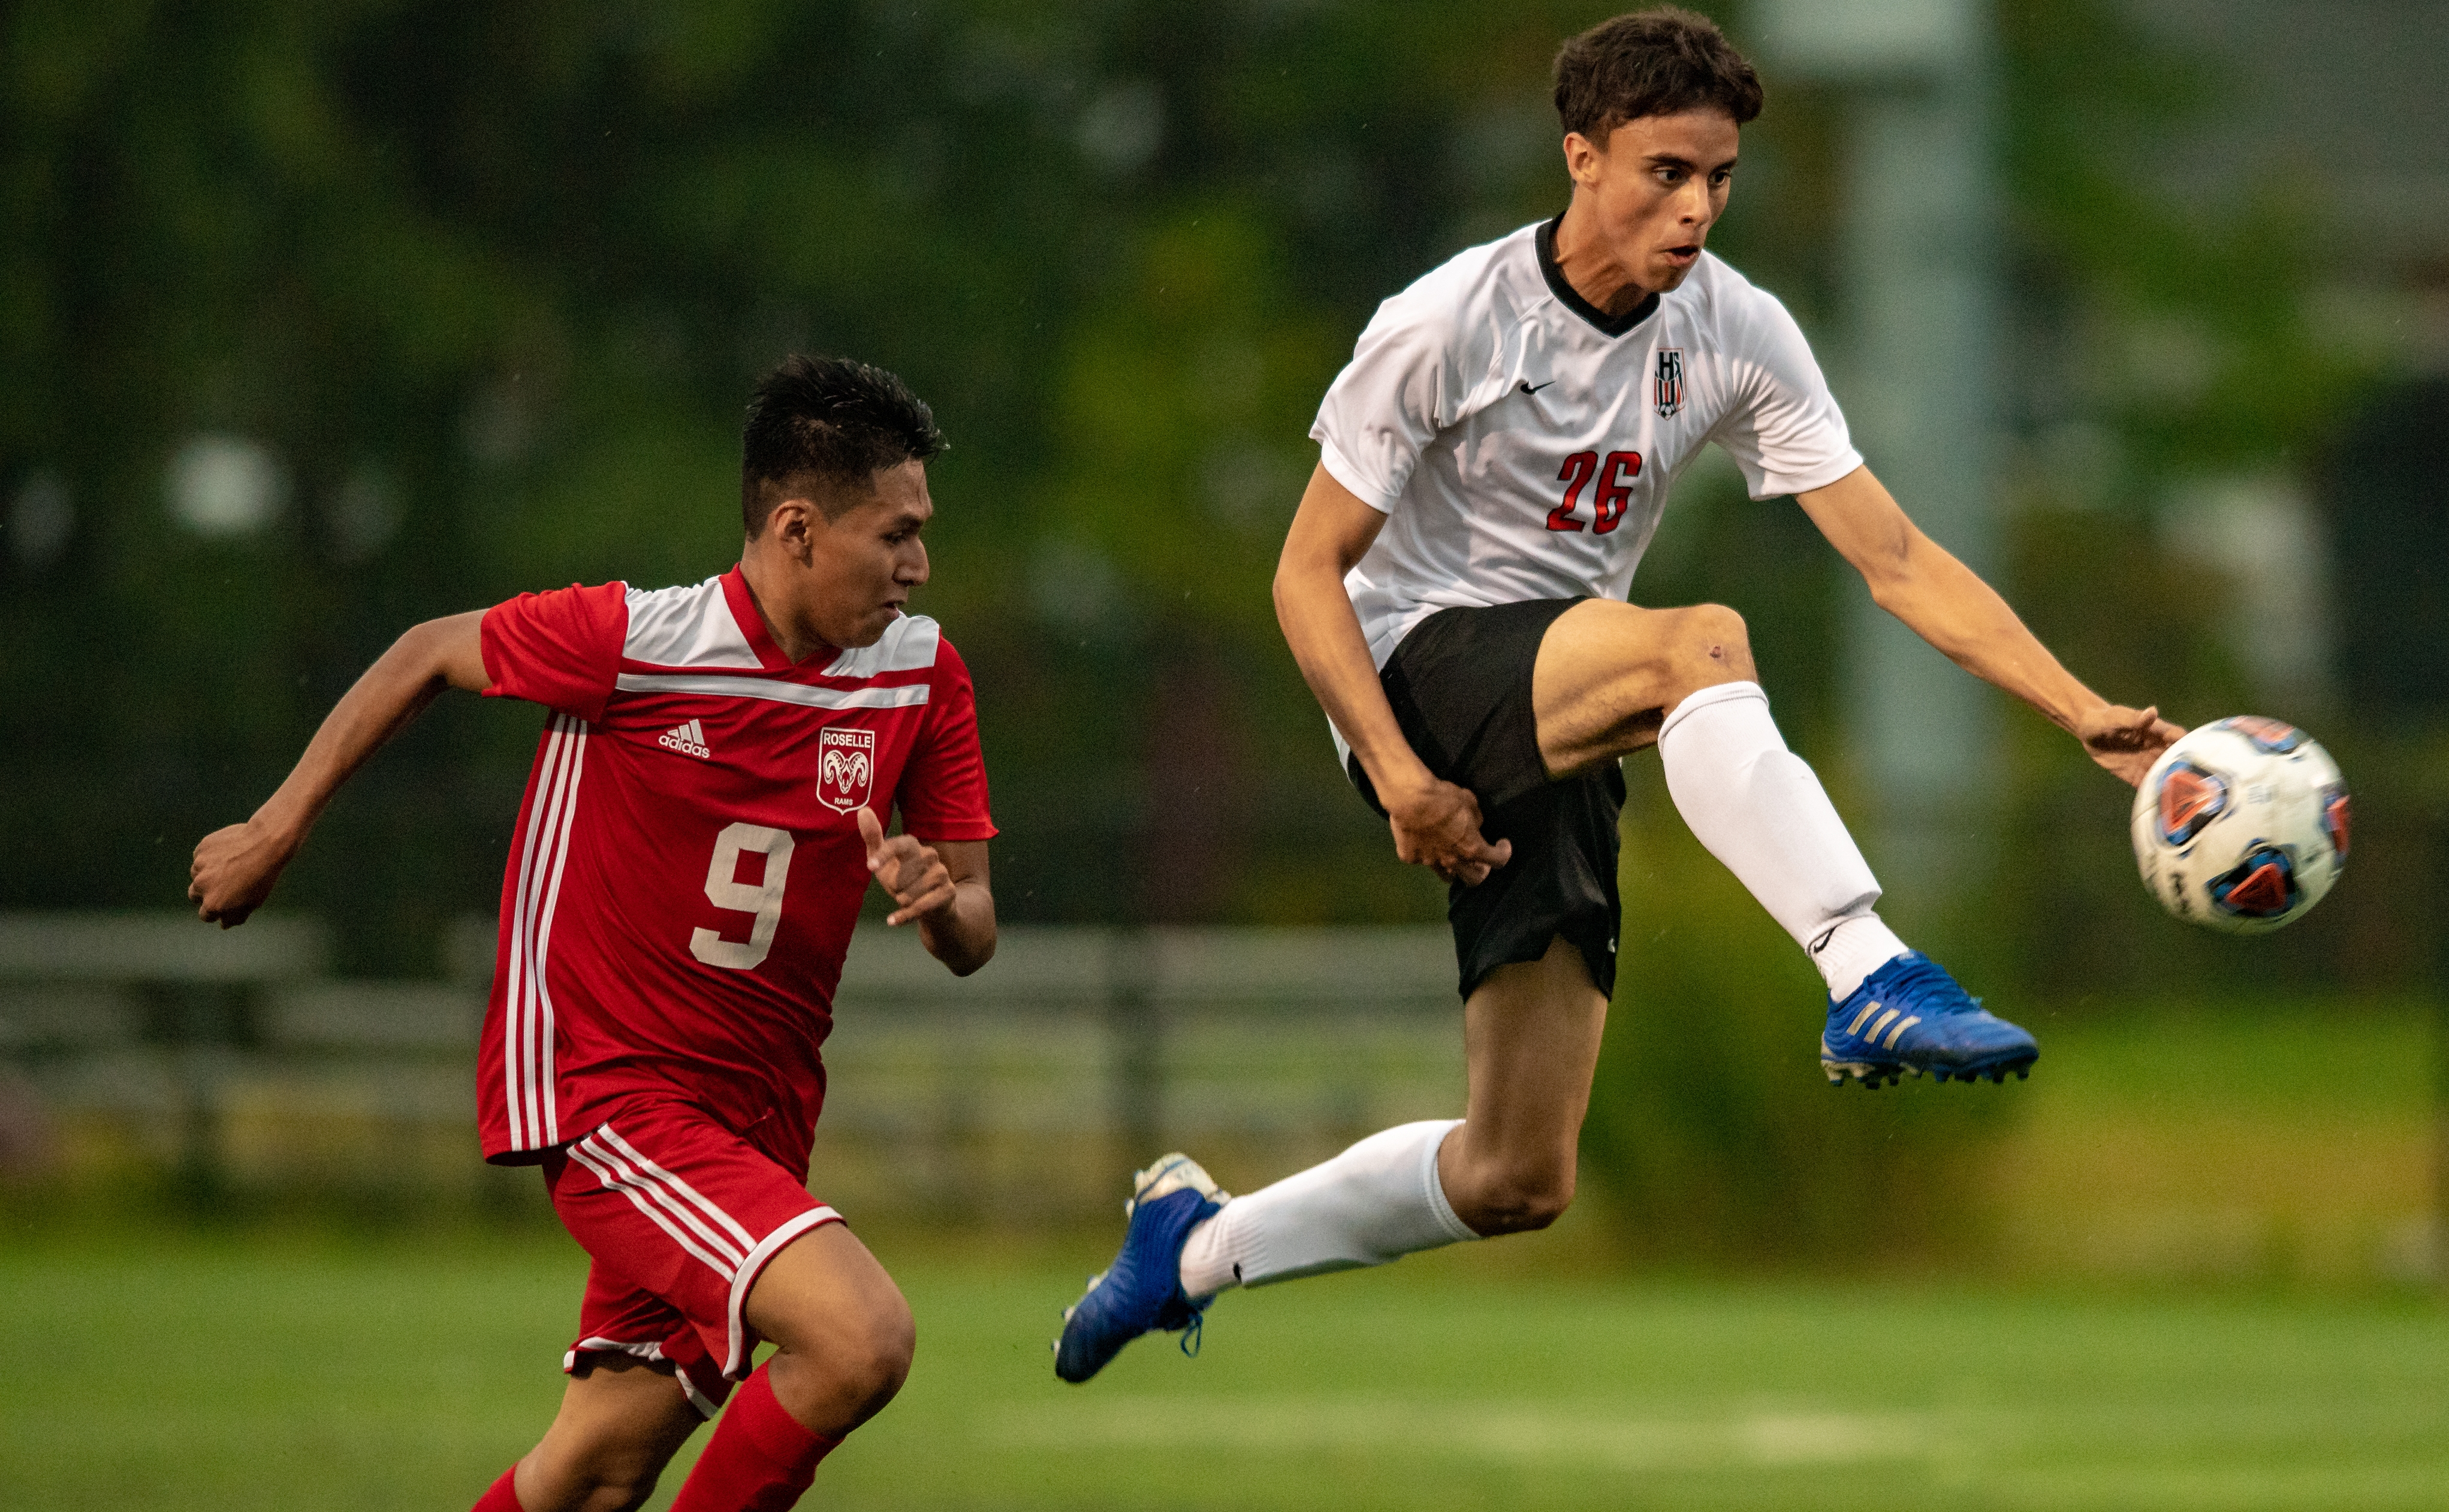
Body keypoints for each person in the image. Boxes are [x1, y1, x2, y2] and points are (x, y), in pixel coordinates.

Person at [1051, 7, 2180, 1384]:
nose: (1697, 207)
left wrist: (2077, 711)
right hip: (1411, 673)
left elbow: (1892, 557)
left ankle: (1194, 1245)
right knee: (1696, 640)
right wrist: (1395, 772)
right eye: (1665, 171)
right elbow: (1303, 575)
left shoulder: (1736, 330)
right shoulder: (1446, 320)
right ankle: (1865, 971)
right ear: (1579, 156)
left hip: (1564, 710)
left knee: (1516, 1170)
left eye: (1719, 177)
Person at [188, 355, 998, 1511]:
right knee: (861, 1340)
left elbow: (975, 928)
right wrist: (275, 830)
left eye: (923, 532)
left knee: (599, 1469)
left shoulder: (922, 676)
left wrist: (938, 901)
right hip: (610, 1092)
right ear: (798, 528)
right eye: (896, 533)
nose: (918, 564)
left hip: (759, 1120)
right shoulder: (637, 641)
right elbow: (427, 648)